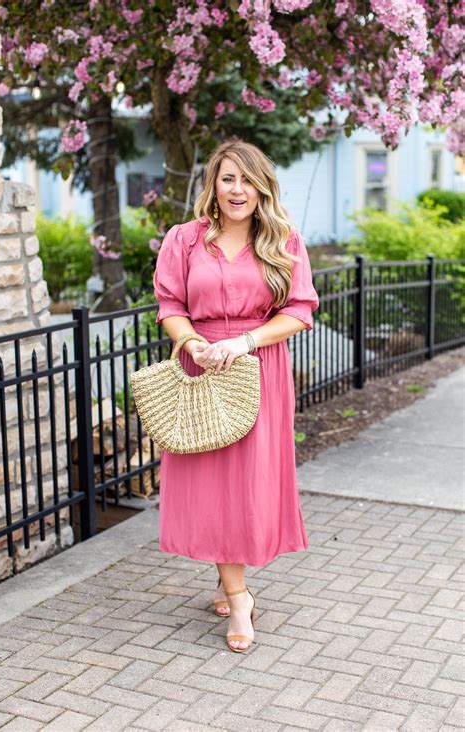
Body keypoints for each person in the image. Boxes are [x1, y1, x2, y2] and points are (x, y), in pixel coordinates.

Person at [153, 139, 320, 652]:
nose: (237, 189)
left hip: (258, 367)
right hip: (201, 367)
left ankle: (235, 589)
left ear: (263, 185)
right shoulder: (184, 239)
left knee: (245, 482)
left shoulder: (284, 240)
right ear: (213, 184)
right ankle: (235, 589)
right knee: (208, 479)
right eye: (228, 178)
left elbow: (299, 310)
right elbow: (169, 303)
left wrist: (244, 341)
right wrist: (193, 341)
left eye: (247, 179)